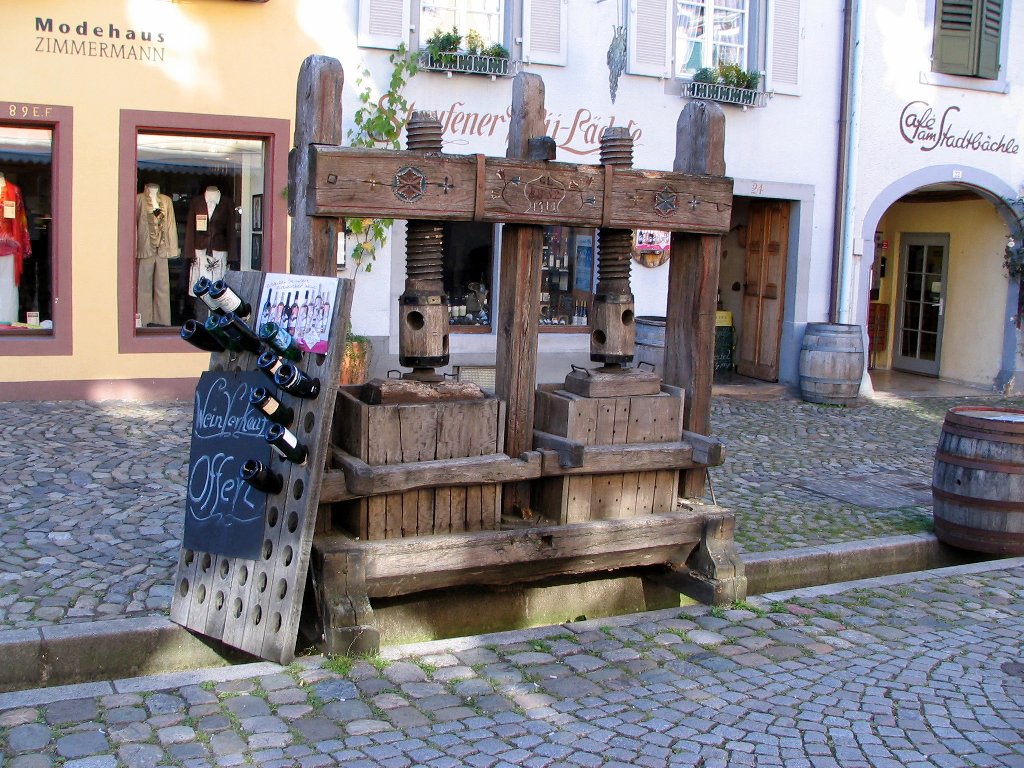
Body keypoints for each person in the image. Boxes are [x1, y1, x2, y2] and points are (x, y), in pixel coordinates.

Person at [136, 183, 177, 326]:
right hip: (145, 248)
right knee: (143, 287)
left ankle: (162, 321)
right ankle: (143, 321)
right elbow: (134, 224)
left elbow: (171, 225)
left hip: (162, 249)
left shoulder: (166, 201)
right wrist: (134, 247)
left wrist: (172, 249)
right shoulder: (138, 199)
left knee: (163, 286)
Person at [185, 185, 238, 293]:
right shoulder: (196, 202)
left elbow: (231, 230)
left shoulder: (227, 203)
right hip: (200, 250)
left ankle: (216, 303)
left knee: (218, 285)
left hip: (219, 250)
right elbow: (190, 228)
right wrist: (189, 253)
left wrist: (232, 256)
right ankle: (200, 304)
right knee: (200, 285)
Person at [0, 172, 32, 324]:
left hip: (9, 248)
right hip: (9, 247)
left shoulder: (14, 191)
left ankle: (7, 321)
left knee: (8, 284)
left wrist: (24, 245)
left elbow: (20, 220)